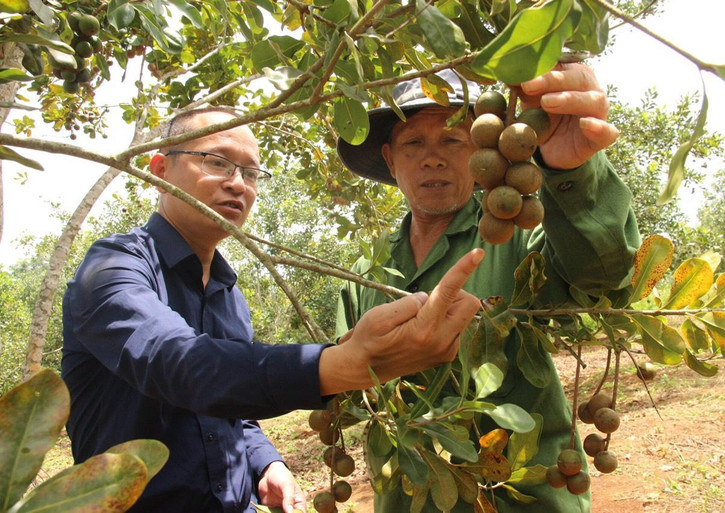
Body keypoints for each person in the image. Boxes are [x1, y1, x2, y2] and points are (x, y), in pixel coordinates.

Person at [61, 106, 484, 513]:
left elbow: (231, 402)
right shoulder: (112, 269)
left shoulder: (229, 296)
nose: (237, 183)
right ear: (159, 170)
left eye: (250, 172)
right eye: (217, 162)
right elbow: (176, 364)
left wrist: (266, 462)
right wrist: (338, 366)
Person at [335, 66, 640, 512]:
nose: (433, 158)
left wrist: (571, 171)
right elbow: (344, 383)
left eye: (453, 140)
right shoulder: (364, 273)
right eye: (414, 142)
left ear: (485, 150)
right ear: (388, 158)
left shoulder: (522, 237)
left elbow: (603, 279)